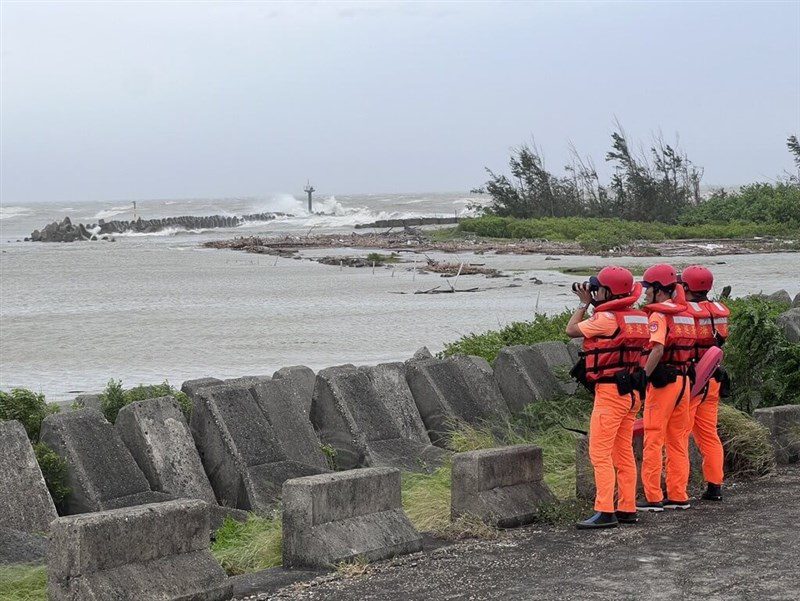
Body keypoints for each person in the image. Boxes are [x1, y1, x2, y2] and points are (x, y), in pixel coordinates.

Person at [566, 266, 649, 529]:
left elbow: (571, 330)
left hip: (611, 393)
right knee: (623, 453)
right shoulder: (638, 317)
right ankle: (627, 508)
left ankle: (605, 510)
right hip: (632, 392)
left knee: (599, 453)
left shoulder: (605, 319)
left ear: (608, 291)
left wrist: (583, 304)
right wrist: (597, 303)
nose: (594, 291)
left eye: (597, 288)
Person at [637, 264, 696, 512]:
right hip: (684, 381)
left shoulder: (659, 315)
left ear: (659, 290)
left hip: (664, 384)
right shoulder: (686, 313)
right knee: (678, 439)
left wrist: (643, 376)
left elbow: (658, 348)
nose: (645, 293)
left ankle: (653, 497)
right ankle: (678, 495)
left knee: (653, 437)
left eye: (648, 289)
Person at [680, 265, 730, 501]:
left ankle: (677, 490)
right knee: (709, 435)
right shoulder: (717, 312)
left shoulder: (684, 312)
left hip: (692, 381)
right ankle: (714, 486)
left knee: (679, 435)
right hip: (713, 379)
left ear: (686, 286)